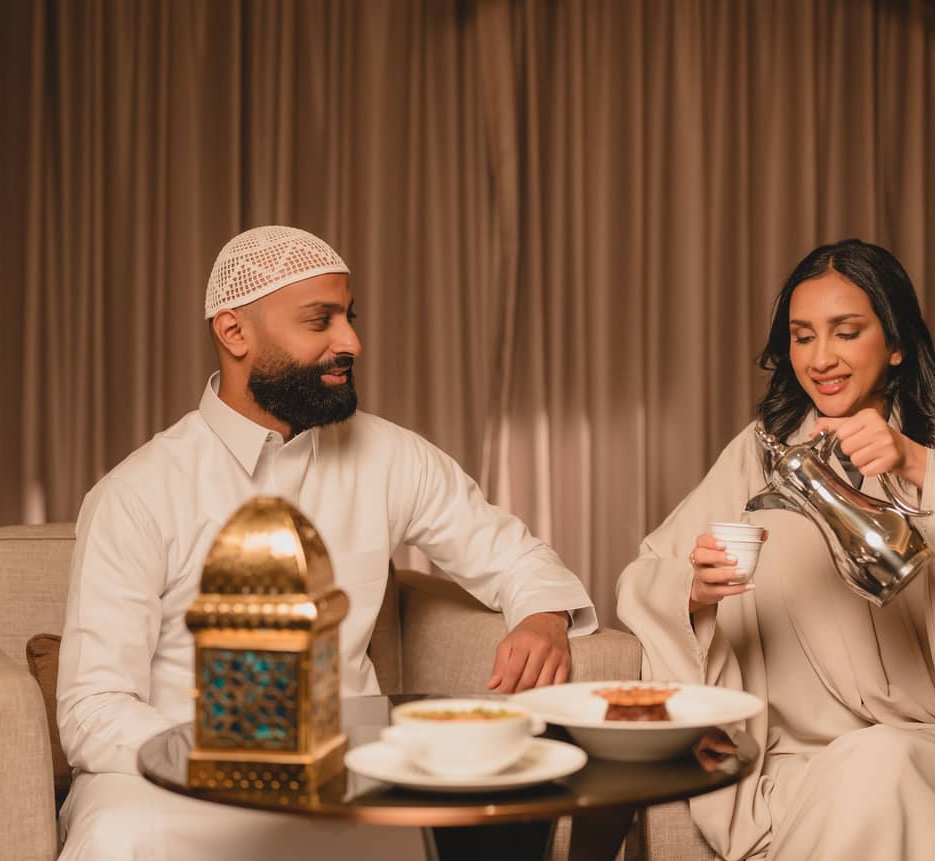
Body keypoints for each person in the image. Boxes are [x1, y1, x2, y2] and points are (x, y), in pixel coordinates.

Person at [56, 225, 597, 859]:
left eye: (350, 316)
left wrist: (542, 616)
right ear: (234, 333)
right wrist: (230, 756)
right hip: (169, 779)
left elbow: (514, 555)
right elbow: (93, 708)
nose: (352, 342)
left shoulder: (389, 455)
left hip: (345, 775)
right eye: (321, 322)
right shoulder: (138, 492)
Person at [616, 239, 935, 861]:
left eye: (845, 332)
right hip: (797, 762)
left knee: (881, 764)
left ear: (895, 344)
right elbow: (649, 571)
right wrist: (694, 591)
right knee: (866, 775)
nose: (821, 358)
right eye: (803, 337)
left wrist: (915, 462)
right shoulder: (762, 453)